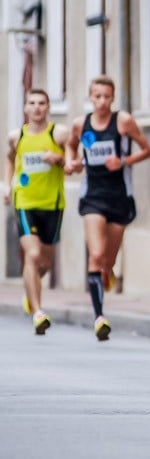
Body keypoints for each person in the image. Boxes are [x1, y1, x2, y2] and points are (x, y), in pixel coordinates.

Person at [65, 76, 150, 341]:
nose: (102, 101)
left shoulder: (123, 121)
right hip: (93, 196)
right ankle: (100, 317)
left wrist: (123, 161)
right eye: (97, 96)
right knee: (97, 253)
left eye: (106, 96)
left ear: (112, 98)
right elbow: (71, 146)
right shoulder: (81, 124)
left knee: (108, 261)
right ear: (90, 98)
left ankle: (107, 270)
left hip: (119, 197)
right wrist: (72, 163)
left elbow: (146, 149)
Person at [3, 89, 69, 335]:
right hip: (25, 202)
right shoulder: (16, 136)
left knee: (45, 262)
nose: (37, 107)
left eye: (42, 103)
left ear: (48, 107)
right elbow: (9, 158)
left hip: (52, 203)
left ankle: (30, 291)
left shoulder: (58, 134)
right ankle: (39, 312)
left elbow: (72, 160)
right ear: (26, 108)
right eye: (32, 103)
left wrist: (59, 158)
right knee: (32, 255)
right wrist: (7, 186)